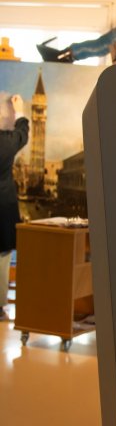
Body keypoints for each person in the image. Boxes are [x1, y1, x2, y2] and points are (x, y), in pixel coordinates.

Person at [0, 94, 28, 321]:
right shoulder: (5, 141)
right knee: (2, 257)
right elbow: (22, 134)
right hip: (3, 209)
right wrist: (19, 111)